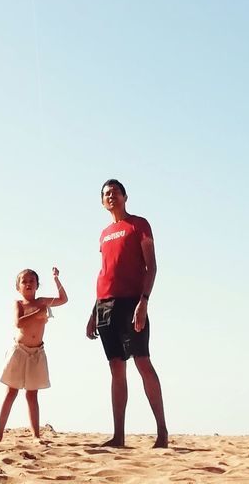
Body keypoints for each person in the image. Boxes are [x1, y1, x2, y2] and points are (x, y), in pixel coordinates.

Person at [86, 179, 168, 448]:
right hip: (105, 306)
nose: (111, 197)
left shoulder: (139, 224)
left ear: (125, 196)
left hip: (132, 303)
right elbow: (104, 274)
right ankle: (118, 436)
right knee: (116, 368)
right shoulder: (104, 233)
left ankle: (162, 433)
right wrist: (93, 313)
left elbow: (151, 267)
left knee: (143, 362)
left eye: (115, 192)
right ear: (102, 201)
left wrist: (143, 301)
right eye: (106, 194)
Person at [0, 266, 67, 441]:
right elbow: (19, 323)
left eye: (31, 281)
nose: (28, 284)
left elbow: (63, 299)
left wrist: (56, 279)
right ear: (18, 287)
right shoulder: (19, 304)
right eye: (24, 282)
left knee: (32, 394)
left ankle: (36, 435)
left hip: (36, 352)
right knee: (11, 392)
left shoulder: (42, 301)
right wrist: (37, 314)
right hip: (19, 351)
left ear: (37, 285)